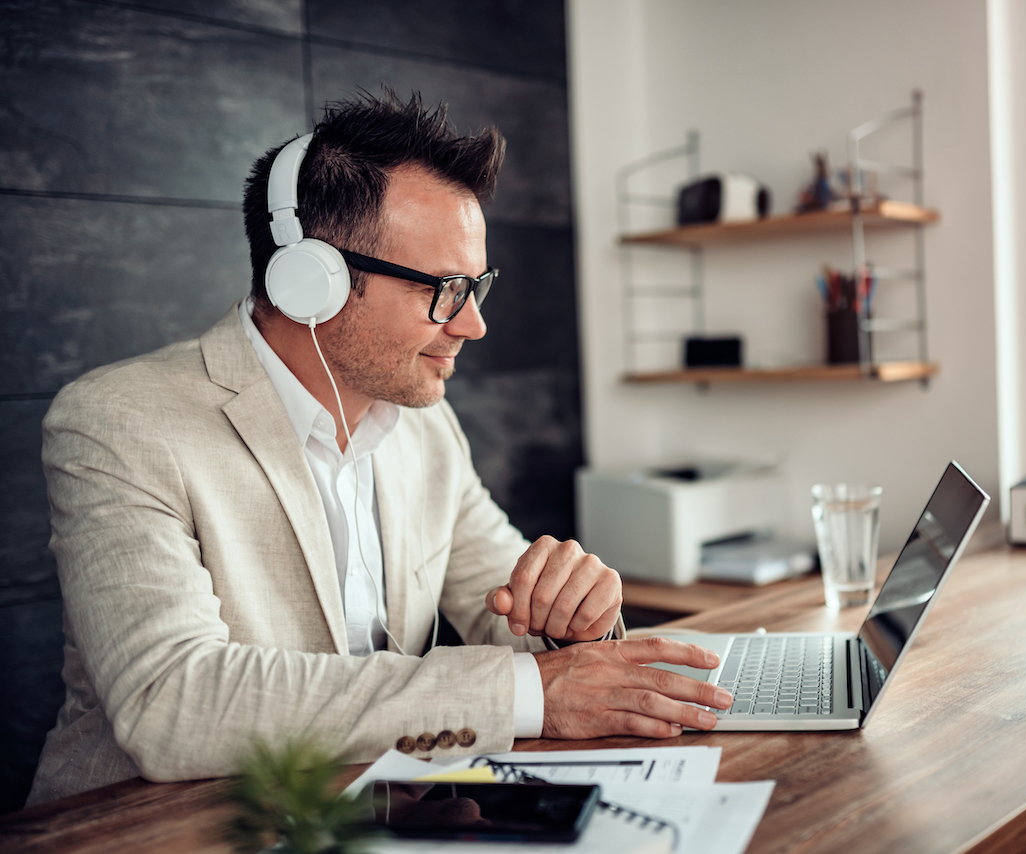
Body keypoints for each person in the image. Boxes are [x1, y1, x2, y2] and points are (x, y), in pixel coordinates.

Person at [27, 91, 731, 807]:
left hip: (379, 820)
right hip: (154, 830)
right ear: (311, 280)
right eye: (447, 289)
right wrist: (531, 691)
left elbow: (504, 607)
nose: (473, 326)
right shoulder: (119, 423)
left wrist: (570, 625)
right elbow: (172, 701)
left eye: (476, 286)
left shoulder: (424, 424)